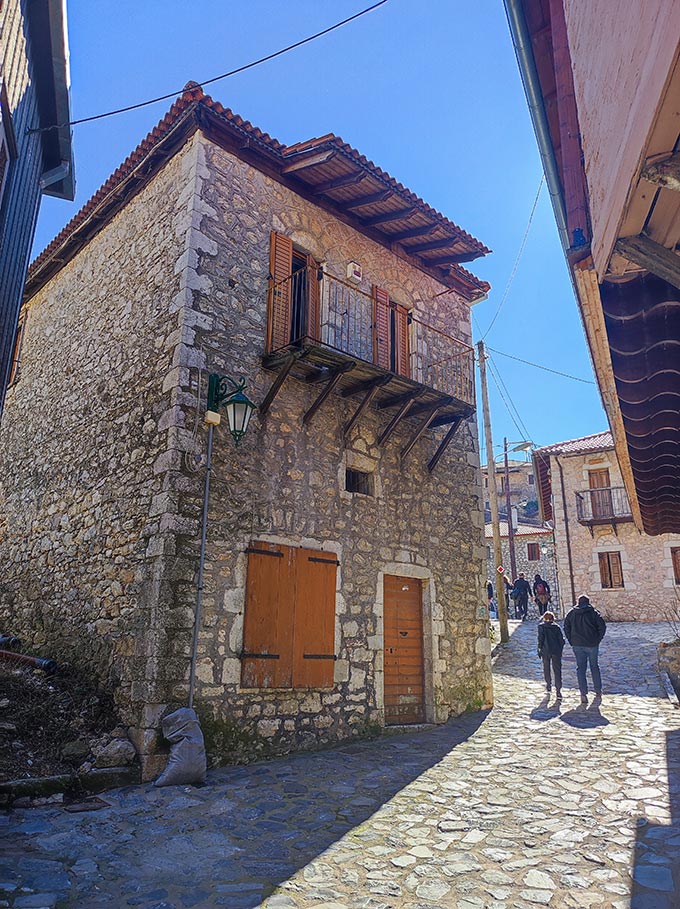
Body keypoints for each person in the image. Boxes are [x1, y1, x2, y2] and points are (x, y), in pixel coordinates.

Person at [563, 594, 607, 705]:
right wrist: (598, 639)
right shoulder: (593, 613)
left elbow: (566, 627)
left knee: (581, 669)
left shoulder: (571, 614)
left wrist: (571, 641)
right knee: (594, 667)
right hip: (592, 644)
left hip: (577, 645)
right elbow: (602, 627)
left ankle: (583, 693)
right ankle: (598, 691)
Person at [537, 611, 564, 698]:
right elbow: (561, 640)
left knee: (546, 668)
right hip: (556, 651)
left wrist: (539, 649)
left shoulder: (541, 627)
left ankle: (548, 685)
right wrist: (560, 650)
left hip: (546, 650)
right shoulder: (557, 627)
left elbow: (540, 639)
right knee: (557, 670)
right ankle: (558, 690)